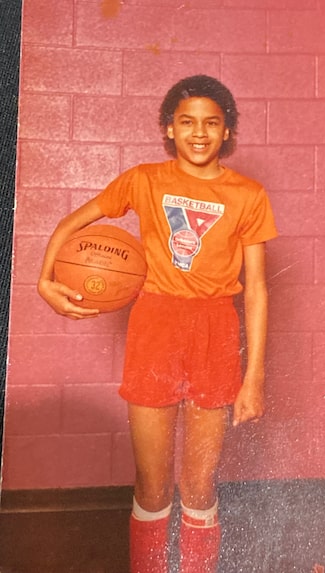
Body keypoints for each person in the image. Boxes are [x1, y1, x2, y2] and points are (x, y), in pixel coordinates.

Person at [38, 75, 278, 573]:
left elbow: (256, 289)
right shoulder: (143, 180)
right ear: (169, 128)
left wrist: (253, 379)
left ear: (227, 131)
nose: (199, 132)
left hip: (215, 330)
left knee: (199, 484)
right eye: (187, 121)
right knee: (151, 482)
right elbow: (69, 226)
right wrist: (45, 281)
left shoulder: (248, 194)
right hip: (155, 327)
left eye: (212, 123)